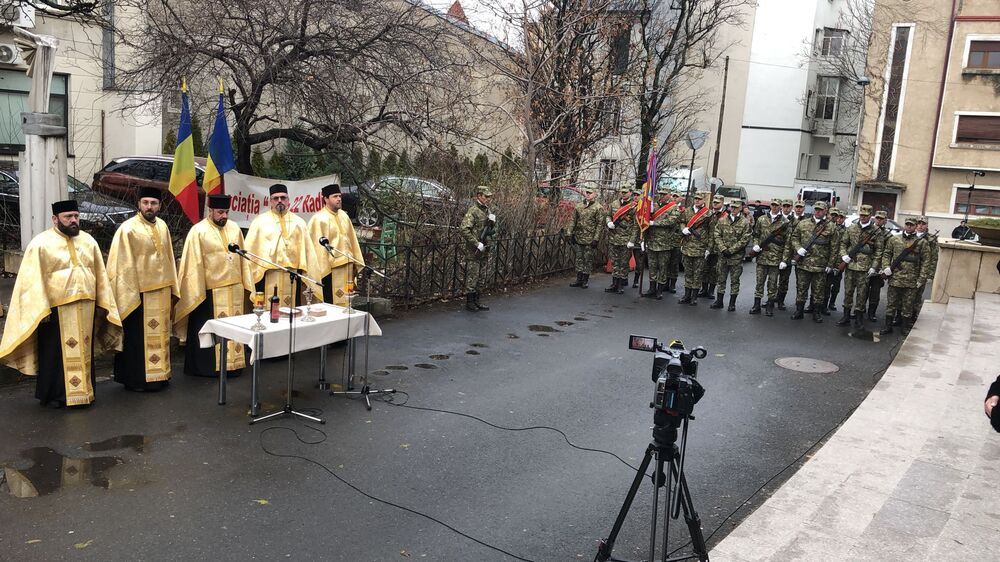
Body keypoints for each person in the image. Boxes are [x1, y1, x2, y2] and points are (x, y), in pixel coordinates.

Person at [0, 200, 122, 407]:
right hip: (56, 310)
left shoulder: (89, 241)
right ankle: (57, 396)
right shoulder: (40, 244)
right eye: (68, 217)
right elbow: (31, 281)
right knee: (54, 353)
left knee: (84, 351)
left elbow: (100, 276)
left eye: (76, 216)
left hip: (85, 307)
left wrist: (103, 303)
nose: (73, 220)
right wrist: (42, 308)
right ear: (55, 219)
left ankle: (84, 392)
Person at [106, 187, 179, 391]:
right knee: (138, 339)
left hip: (161, 292)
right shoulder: (127, 229)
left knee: (161, 334)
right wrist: (129, 291)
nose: (149, 207)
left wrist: (173, 285)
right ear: (138, 204)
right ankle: (137, 380)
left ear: (160, 206)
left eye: (153, 203)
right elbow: (121, 265)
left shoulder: (163, 226)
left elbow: (169, 259)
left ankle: (160, 375)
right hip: (138, 294)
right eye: (145, 202)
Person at [174, 194, 255, 377]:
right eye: (220, 212)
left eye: (226, 212)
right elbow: (192, 265)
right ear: (210, 211)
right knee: (209, 330)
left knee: (234, 327)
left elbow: (243, 260)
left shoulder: (234, 228)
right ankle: (207, 368)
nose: (224, 216)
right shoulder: (198, 231)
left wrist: (245, 283)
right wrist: (197, 290)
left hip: (234, 289)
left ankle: (234, 366)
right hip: (209, 292)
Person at [244, 184, 310, 308]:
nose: (280, 201)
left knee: (291, 312)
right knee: (267, 312)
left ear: (288, 200)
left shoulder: (299, 222)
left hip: (292, 275)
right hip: (267, 275)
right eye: (275, 198)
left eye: (283, 198)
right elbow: (250, 252)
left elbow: (308, 253)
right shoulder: (259, 222)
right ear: (270, 201)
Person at [307, 184, 365, 306]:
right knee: (331, 303)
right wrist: (322, 268)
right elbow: (316, 249)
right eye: (335, 196)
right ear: (326, 199)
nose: (339, 199)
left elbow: (352, 239)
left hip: (347, 266)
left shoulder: (344, 216)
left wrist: (355, 259)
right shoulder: (318, 219)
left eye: (339, 196)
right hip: (330, 270)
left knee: (346, 302)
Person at [879, 217, 932, 336]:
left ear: (915, 226)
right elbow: (887, 253)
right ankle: (888, 326)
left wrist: (922, 278)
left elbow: (926, 261)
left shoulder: (922, 242)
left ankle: (904, 327)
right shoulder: (894, 239)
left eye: (911, 225)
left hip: (911, 279)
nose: (909, 226)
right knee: (891, 303)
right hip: (895, 278)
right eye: (907, 224)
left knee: (908, 305)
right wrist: (886, 267)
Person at [785, 200, 836, 322]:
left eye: (821, 210)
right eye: (816, 209)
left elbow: (834, 247)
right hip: (804, 263)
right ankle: (799, 311)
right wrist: (798, 248)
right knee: (801, 288)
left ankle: (816, 313)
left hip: (820, 265)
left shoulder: (831, 226)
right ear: (813, 210)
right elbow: (794, 238)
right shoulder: (803, 223)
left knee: (818, 291)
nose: (818, 212)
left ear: (825, 212)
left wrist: (830, 264)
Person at [836, 205, 884, 328]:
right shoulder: (851, 228)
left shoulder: (876, 231)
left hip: (865, 268)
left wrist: (874, 266)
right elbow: (843, 243)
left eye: (866, 216)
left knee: (862, 294)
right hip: (850, 265)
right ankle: (846, 316)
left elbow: (878, 251)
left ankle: (858, 318)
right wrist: (844, 256)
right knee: (848, 292)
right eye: (861, 215)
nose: (863, 217)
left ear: (870, 216)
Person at [711, 198, 752, 311]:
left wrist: (731, 250)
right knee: (721, 278)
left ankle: (732, 303)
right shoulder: (722, 220)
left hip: (736, 257)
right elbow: (717, 234)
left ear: (740, 208)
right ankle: (719, 301)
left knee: (735, 280)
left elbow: (745, 240)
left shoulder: (745, 222)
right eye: (731, 207)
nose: (733, 209)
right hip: (723, 255)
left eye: (736, 207)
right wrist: (723, 249)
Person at [460, 186, 497, 311]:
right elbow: (464, 229)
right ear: (479, 196)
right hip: (474, 250)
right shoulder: (473, 211)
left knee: (481, 277)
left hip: (485, 248)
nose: (488, 199)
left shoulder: (487, 210)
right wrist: (476, 243)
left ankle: (477, 300)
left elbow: (491, 231)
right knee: (473, 276)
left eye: (489, 197)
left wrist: (493, 224)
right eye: (486, 196)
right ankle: (470, 302)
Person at [749, 199, 788, 316]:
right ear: (770, 206)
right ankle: (756, 305)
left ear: (780, 206)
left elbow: (787, 243)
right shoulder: (762, 219)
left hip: (776, 258)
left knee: (772, 284)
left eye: (777, 205)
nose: (774, 207)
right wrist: (756, 245)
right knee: (759, 282)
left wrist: (784, 260)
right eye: (773, 205)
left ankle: (770, 306)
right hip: (762, 257)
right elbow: (756, 234)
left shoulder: (784, 222)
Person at [642, 189, 683, 299]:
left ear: (669, 195)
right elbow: (644, 220)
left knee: (663, 267)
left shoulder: (674, 208)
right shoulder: (653, 206)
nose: (662, 196)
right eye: (661, 194)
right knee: (652, 267)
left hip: (665, 243)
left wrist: (654, 223)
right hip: (652, 241)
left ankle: (660, 290)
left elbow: (671, 221)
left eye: (664, 194)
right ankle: (652, 288)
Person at [678, 191, 713, 306]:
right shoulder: (687, 211)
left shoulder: (708, 214)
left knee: (697, 273)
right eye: (695, 198)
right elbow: (682, 222)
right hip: (687, 246)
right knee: (688, 272)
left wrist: (709, 248)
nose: (697, 200)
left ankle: (694, 297)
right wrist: (683, 229)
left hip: (700, 248)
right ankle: (686, 295)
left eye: (699, 199)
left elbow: (712, 232)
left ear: (704, 201)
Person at [567, 186, 603, 289]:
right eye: (587, 192)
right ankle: (578, 279)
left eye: (590, 193)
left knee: (587, 259)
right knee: (579, 258)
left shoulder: (598, 208)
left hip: (590, 238)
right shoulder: (579, 206)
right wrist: (569, 233)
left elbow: (599, 225)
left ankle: (585, 280)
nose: (588, 194)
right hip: (579, 237)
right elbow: (573, 220)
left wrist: (596, 238)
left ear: (595, 194)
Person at [605, 186, 638, 294]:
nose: (623, 194)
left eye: (625, 192)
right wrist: (609, 222)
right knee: (614, 262)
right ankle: (614, 283)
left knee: (623, 263)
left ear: (630, 193)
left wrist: (632, 240)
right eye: (622, 192)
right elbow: (608, 215)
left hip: (626, 239)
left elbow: (635, 225)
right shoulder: (614, 204)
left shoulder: (634, 207)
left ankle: (620, 285)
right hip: (614, 237)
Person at [775, 199, 806, 310]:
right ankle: (776, 299)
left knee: (797, 280)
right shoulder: (779, 219)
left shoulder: (803, 221)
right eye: (785, 206)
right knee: (779, 277)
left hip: (798, 253)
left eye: (789, 206)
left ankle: (797, 302)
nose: (786, 208)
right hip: (781, 252)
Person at [866, 210, 892, 322]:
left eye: (881, 219)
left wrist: (884, 268)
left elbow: (889, 253)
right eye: (877, 218)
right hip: (866, 264)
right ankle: (859, 310)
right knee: (863, 290)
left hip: (879, 267)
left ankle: (871, 313)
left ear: (886, 221)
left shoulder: (888, 235)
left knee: (875, 292)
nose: (879, 220)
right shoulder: (868, 231)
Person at [911, 216, 938, 322]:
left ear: (927, 225)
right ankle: (900, 316)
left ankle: (913, 316)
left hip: (922, 271)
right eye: (919, 223)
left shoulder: (931, 239)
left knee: (917, 295)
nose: (920, 226)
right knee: (904, 294)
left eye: (923, 223)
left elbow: (934, 258)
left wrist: (930, 275)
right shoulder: (910, 235)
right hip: (907, 270)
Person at [699, 195, 726, 298]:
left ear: (722, 203)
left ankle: (711, 291)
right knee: (704, 268)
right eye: (714, 202)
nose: (715, 204)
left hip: (718, 247)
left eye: (717, 203)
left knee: (715, 270)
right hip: (707, 245)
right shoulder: (708, 213)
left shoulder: (725, 215)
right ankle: (704, 289)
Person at [823, 208, 847, 315]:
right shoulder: (827, 227)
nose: (839, 219)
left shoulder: (846, 231)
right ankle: (820, 304)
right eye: (838, 217)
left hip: (839, 262)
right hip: (827, 260)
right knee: (824, 284)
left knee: (836, 285)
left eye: (841, 217)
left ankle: (831, 303)